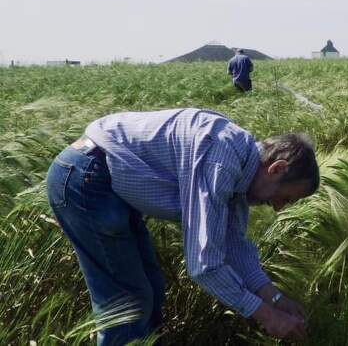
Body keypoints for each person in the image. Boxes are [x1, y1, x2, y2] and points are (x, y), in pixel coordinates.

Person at [45, 108, 319, 345]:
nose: (278, 207)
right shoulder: (222, 159)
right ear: (277, 169)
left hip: (104, 184)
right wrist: (267, 316)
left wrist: (275, 299)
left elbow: (234, 245)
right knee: (127, 303)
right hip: (87, 177)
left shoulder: (240, 174)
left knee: (151, 288)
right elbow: (204, 264)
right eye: (285, 197)